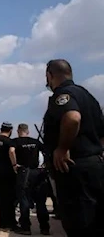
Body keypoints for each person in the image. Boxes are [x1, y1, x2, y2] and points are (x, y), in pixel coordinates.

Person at [42, 59, 104, 236]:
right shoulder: (88, 97)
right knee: (97, 222)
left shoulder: (62, 94)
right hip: (94, 166)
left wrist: (62, 147)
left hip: (73, 169)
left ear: (49, 75)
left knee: (79, 223)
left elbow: (73, 117)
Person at [9, 124, 50, 235]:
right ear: (27, 131)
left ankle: (26, 227)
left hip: (23, 172)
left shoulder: (15, 141)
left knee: (24, 200)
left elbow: (12, 151)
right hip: (37, 172)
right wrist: (45, 165)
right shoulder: (35, 141)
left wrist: (14, 164)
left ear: (18, 131)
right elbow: (46, 151)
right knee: (41, 202)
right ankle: (45, 228)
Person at [0, 122, 17, 230]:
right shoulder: (9, 141)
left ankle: (3, 223)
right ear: (10, 130)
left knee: (1, 197)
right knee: (10, 198)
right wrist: (14, 164)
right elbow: (11, 151)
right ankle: (11, 222)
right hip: (8, 171)